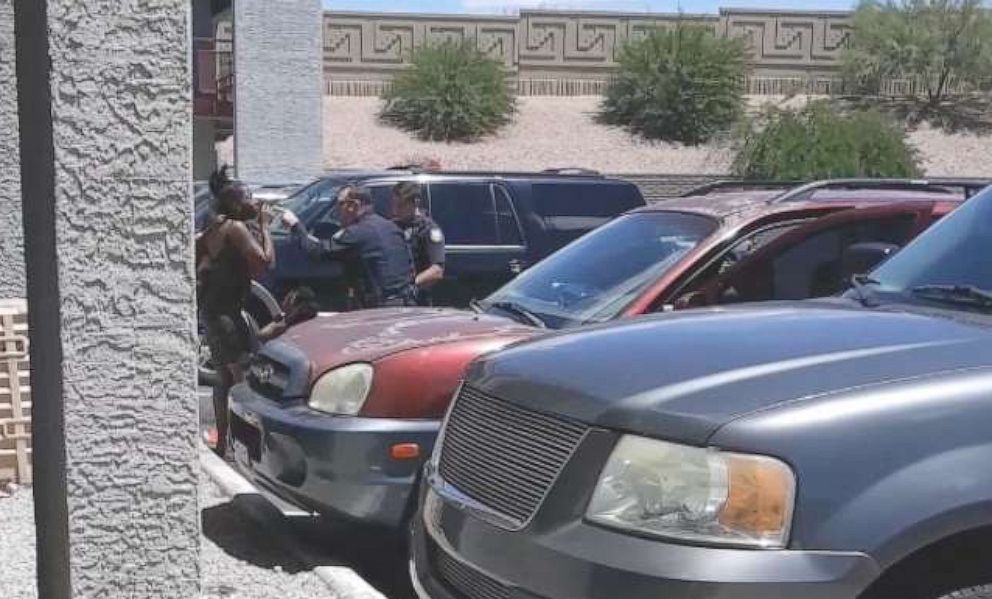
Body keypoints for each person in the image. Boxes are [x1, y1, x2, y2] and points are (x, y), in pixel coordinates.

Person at [196, 166, 275, 457]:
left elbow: (202, 262)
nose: (253, 202)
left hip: (212, 311)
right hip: (227, 315)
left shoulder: (214, 227)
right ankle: (250, 445)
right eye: (248, 197)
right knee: (242, 379)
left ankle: (223, 443)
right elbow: (265, 262)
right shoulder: (236, 228)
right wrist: (265, 226)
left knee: (222, 379)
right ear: (233, 203)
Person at [281, 186, 417, 308]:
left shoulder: (357, 233)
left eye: (340, 204)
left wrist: (295, 226)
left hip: (380, 309)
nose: (337, 210)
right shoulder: (391, 228)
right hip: (406, 304)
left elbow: (317, 251)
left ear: (353, 205)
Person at [390, 181, 446, 306]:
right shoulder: (393, 226)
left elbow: (436, 271)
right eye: (393, 204)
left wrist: (410, 286)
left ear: (415, 203)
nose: (395, 210)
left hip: (416, 300)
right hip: (394, 299)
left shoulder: (428, 230)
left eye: (400, 205)